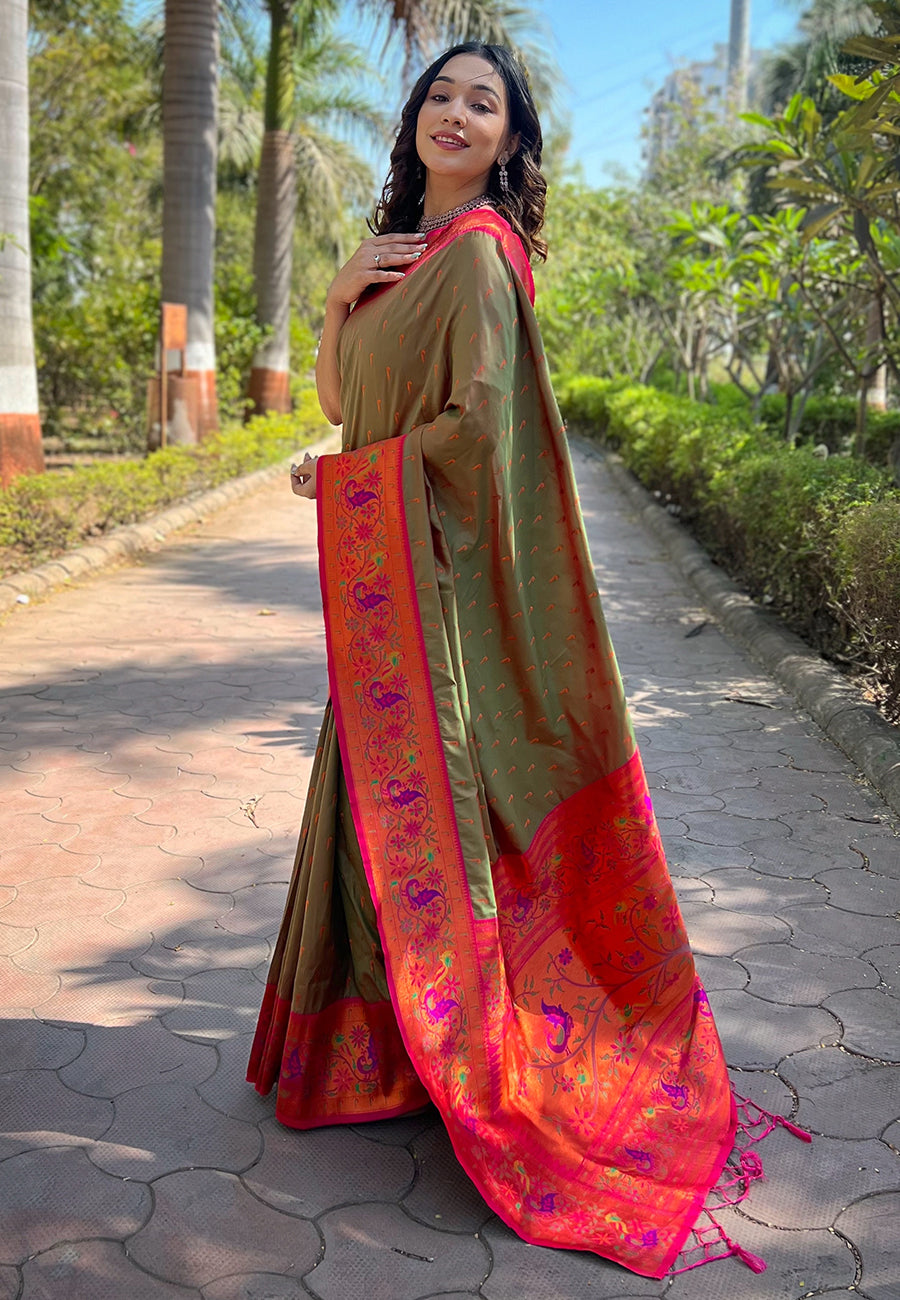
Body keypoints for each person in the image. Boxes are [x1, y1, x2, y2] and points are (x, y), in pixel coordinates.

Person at [248, 41, 805, 1280]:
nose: (456, 112)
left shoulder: (485, 262)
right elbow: (344, 401)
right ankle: (381, 1055)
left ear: (509, 139)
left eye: (481, 102)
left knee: (441, 819)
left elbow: (476, 437)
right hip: (386, 594)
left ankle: (479, 1060)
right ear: (415, 122)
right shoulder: (399, 255)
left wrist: (351, 493)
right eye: (439, 95)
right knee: (373, 814)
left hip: (437, 602)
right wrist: (339, 294)